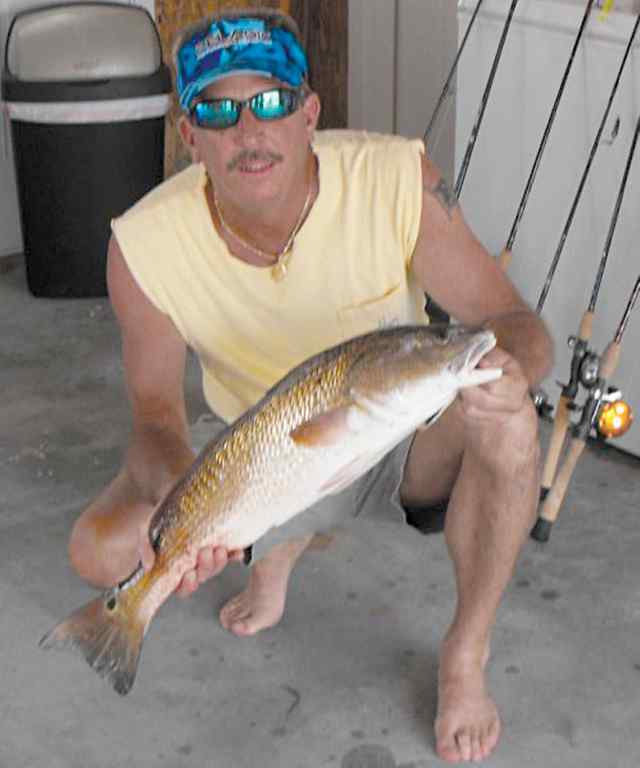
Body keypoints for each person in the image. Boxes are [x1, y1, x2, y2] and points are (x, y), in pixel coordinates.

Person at [68, 8, 553, 764]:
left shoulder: (395, 176)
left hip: (398, 440)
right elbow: (156, 414)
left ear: (309, 112)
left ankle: (465, 652)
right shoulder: (141, 245)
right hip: (257, 468)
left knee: (513, 422)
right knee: (99, 554)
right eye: (217, 111)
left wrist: (513, 373)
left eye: (269, 102)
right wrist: (177, 500)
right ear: (187, 134)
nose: (247, 130)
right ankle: (276, 548)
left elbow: (513, 320)